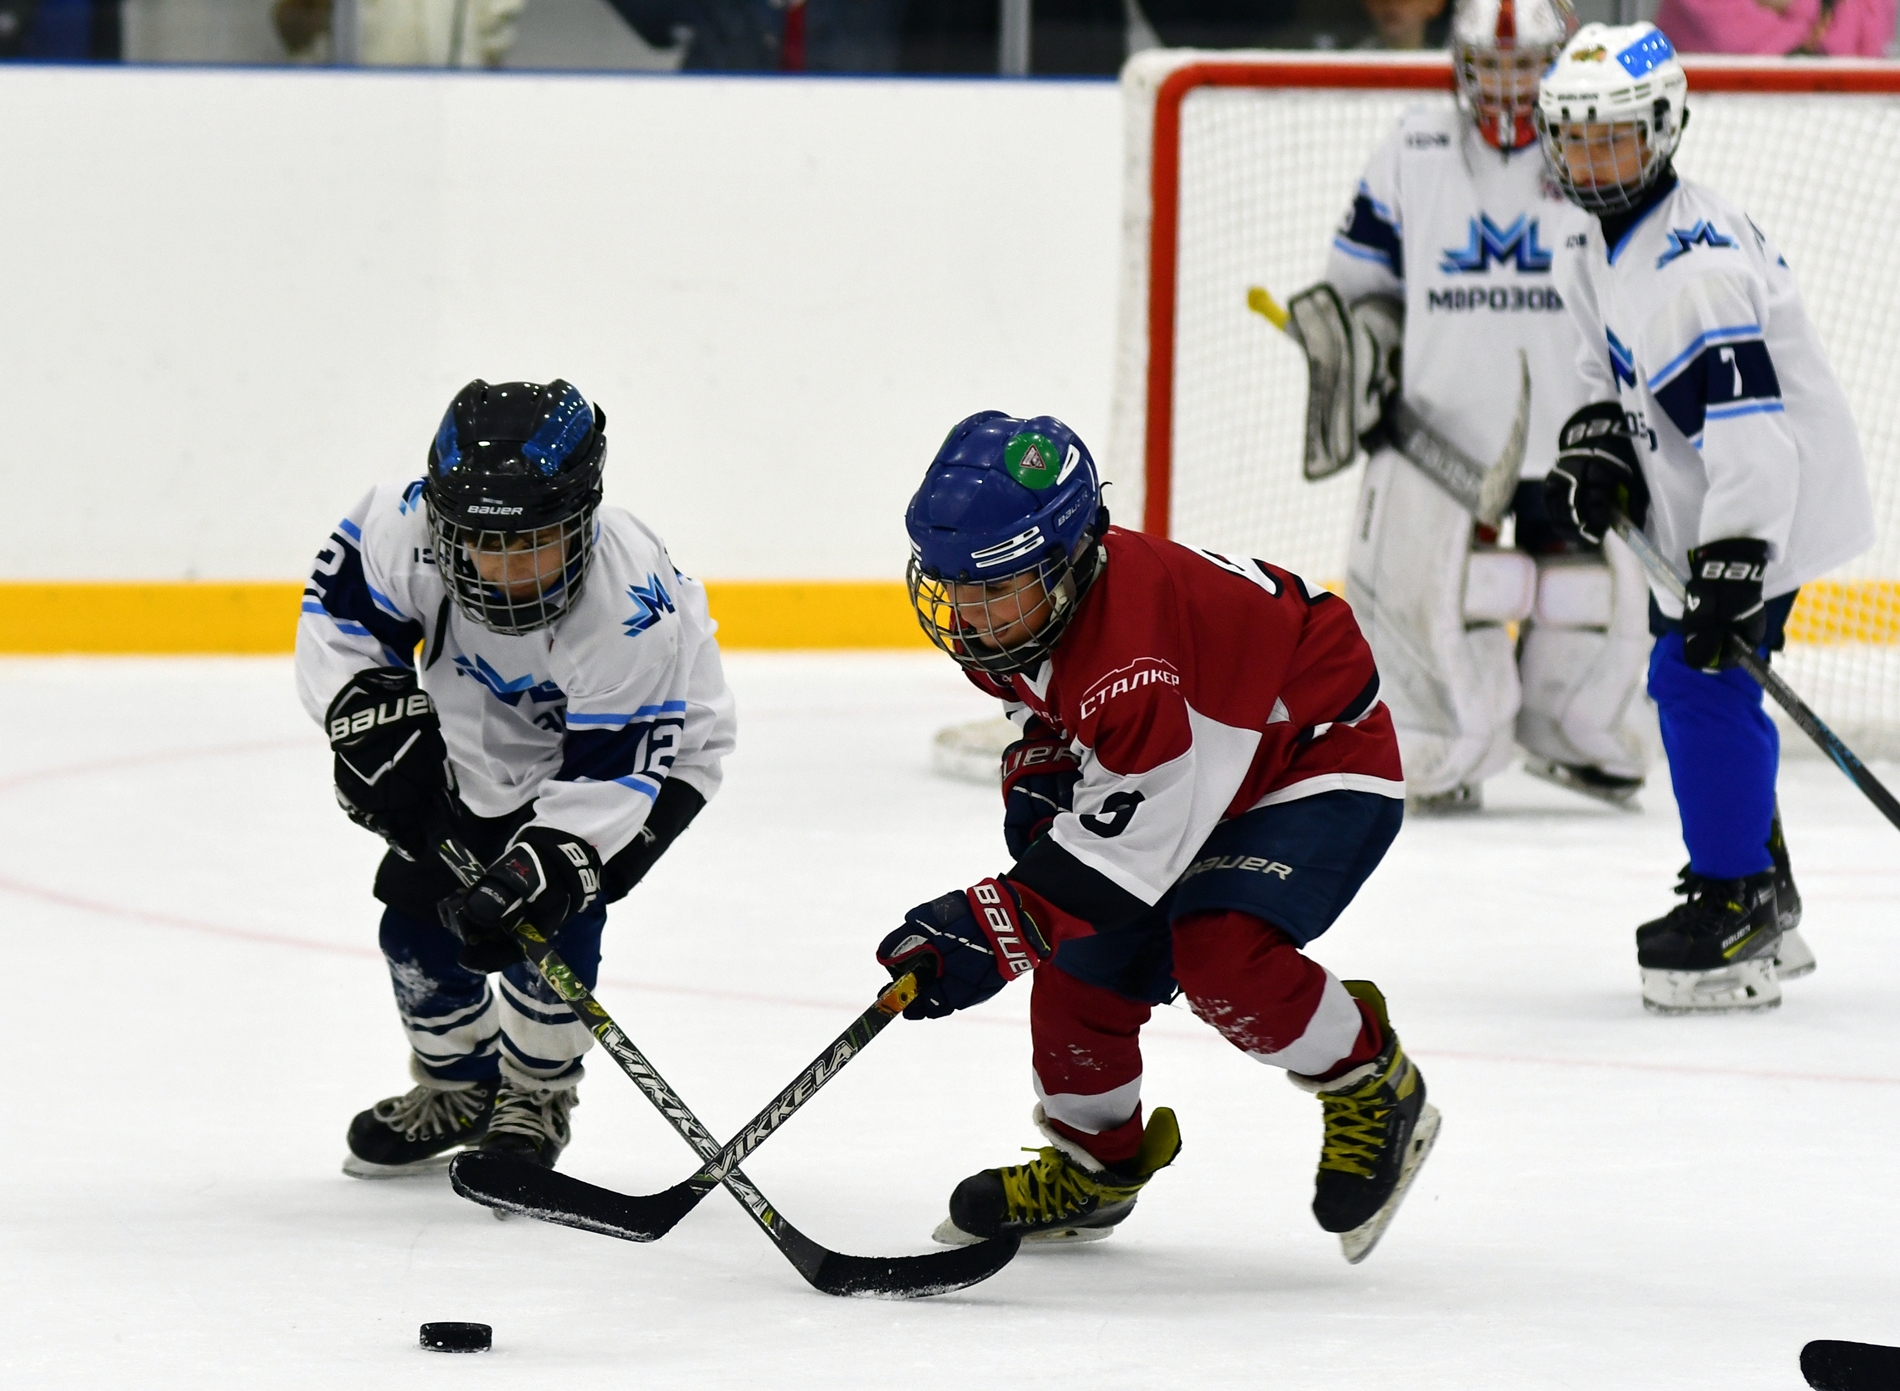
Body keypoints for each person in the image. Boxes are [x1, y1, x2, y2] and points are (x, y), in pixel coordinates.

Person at [876, 411, 1439, 1264]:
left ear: (1066, 563)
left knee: (1219, 952)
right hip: (1195, 751)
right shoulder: (1026, 612)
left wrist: (991, 925)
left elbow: (1129, 851)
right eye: (951, 585)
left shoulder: (1127, 664)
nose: (965, 613)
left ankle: (1368, 1076)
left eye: (991, 589)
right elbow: (1050, 719)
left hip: (1311, 751)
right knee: (1078, 952)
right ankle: (1094, 1164)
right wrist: (1039, 786)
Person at [295, 379, 735, 1175]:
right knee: (417, 922)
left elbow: (610, 777)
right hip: (479, 742)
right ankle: (460, 1087)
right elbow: (342, 631)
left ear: (583, 520)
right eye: (481, 543)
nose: (502, 569)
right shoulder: (399, 525)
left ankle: (535, 1091)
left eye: (531, 542)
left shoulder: (627, 605)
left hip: (646, 763)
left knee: (550, 919)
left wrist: (547, 861)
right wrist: (367, 718)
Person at [1536, 23, 1875, 1011]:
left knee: (1693, 674)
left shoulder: (1694, 272)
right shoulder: (1594, 237)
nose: (1593, 160)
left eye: (1615, 138)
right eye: (1576, 138)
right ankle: (1762, 882)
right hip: (1701, 497)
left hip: (1763, 503)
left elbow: (1752, 439)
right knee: (1697, 674)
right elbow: (1596, 352)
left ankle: (1736, 895)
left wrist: (1734, 561)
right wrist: (1598, 433)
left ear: (1664, 129)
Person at [1325, 0, 1660, 817]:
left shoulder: (1596, 142)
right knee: (1459, 591)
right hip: (1445, 432)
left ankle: (1580, 731)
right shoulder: (1415, 145)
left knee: (1584, 595)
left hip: (1578, 429)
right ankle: (1448, 742)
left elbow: (1644, 274)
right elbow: (1357, 278)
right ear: (1461, 66)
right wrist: (1362, 355)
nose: (1509, 83)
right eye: (1493, 65)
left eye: (1526, 64)